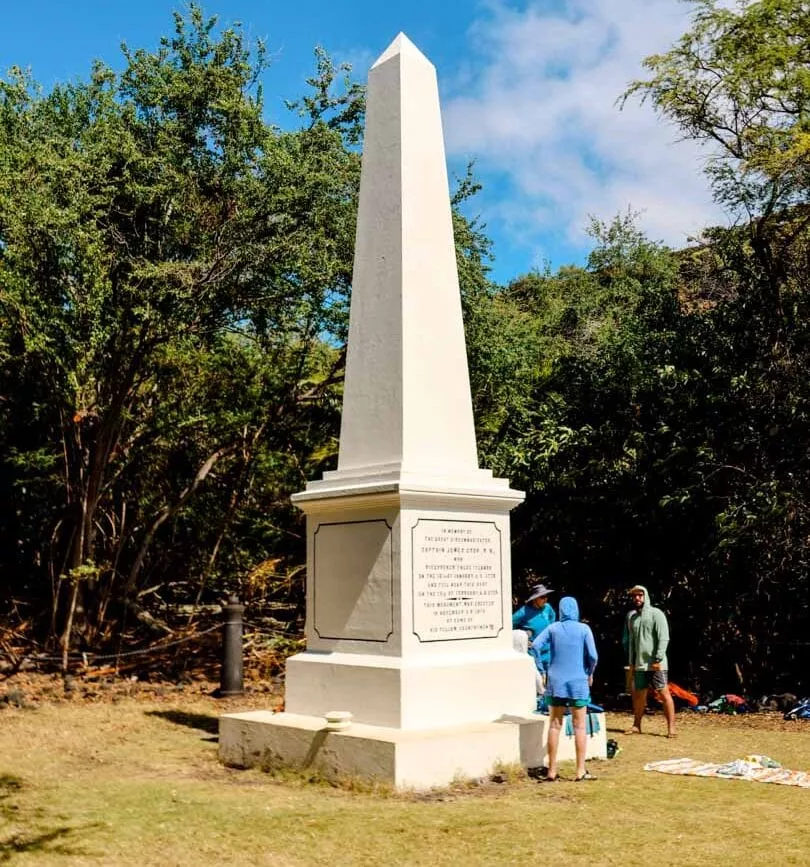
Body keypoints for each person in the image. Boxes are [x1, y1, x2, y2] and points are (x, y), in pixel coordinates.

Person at [532, 596, 598, 782]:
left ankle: (551, 770)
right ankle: (580, 770)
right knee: (579, 726)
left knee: (554, 725)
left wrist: (542, 668)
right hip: (578, 681)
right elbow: (593, 656)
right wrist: (589, 672)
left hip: (555, 681)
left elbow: (536, 645)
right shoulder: (584, 629)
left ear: (560, 611)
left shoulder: (553, 628)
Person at [622, 584, 676, 738]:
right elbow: (631, 642)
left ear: (645, 596)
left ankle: (671, 729)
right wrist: (631, 661)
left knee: (664, 693)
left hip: (656, 664)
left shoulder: (656, 614)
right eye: (634, 596)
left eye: (640, 595)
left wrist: (658, 657)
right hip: (639, 664)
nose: (637, 598)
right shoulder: (632, 618)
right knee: (639, 695)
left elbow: (663, 637)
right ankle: (636, 725)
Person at [512, 583, 556, 693]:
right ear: (535, 599)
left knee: (551, 679)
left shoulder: (548, 608)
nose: (545, 599)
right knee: (538, 680)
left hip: (549, 650)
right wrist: (523, 638)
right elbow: (509, 625)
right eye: (542, 597)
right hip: (535, 652)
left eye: (546, 596)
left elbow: (552, 618)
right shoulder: (523, 612)